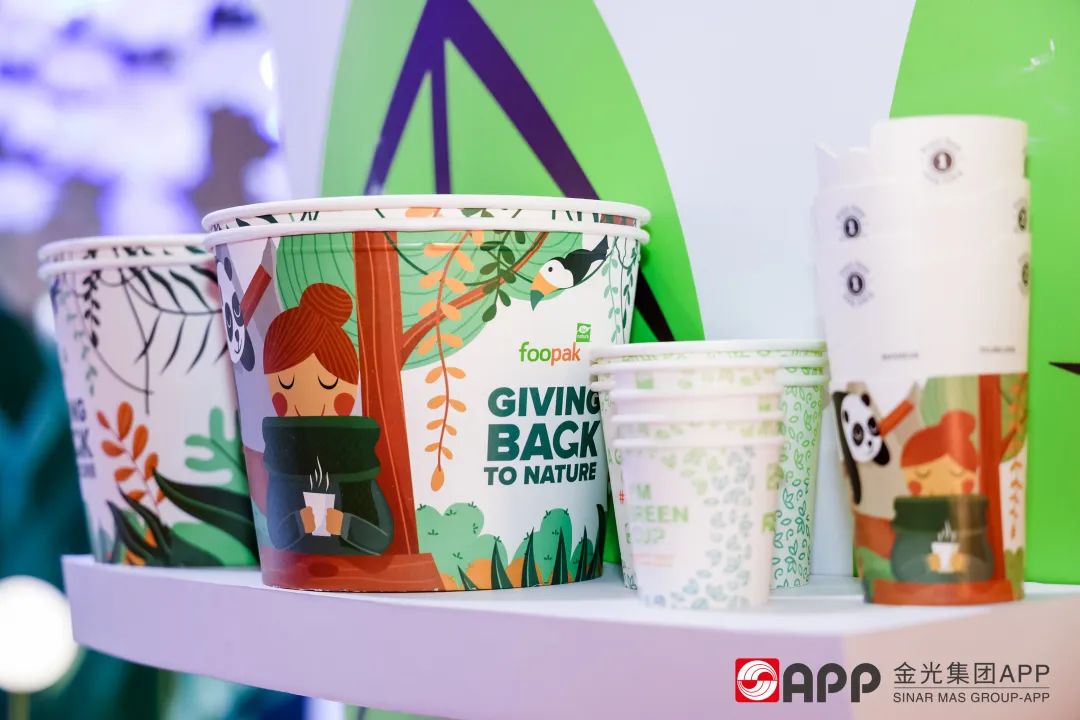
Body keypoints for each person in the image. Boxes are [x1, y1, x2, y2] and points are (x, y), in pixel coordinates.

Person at [260, 283, 393, 555]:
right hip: (299, 567)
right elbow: (276, 533)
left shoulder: (356, 459)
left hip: (355, 568)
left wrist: (343, 523)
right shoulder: (281, 457)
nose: (304, 399)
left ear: (349, 390)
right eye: (286, 384)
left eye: (328, 384)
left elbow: (380, 536)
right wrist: (300, 522)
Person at [892, 410, 992, 582]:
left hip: (967, 593)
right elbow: (900, 566)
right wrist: (926, 563)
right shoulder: (910, 519)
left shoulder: (972, 517)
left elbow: (986, 567)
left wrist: (966, 563)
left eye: (955, 474)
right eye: (923, 475)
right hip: (914, 593)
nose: (936, 485)